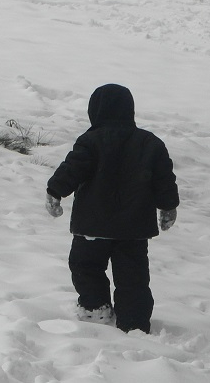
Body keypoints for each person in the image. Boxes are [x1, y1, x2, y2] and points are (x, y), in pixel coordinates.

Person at [46, 83, 179, 333]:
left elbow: (72, 169)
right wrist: (168, 206)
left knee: (86, 267)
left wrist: (55, 190)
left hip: (92, 226)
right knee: (133, 278)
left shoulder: (90, 141)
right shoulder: (150, 143)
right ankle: (134, 322)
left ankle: (95, 308)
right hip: (133, 229)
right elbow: (164, 179)